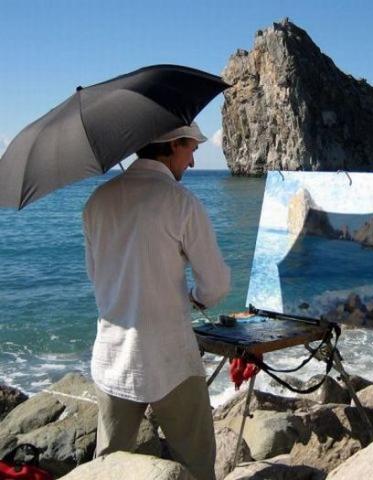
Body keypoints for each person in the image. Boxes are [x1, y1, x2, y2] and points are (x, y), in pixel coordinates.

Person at [82, 122, 230, 480]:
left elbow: (95, 276)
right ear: (173, 144)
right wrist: (194, 297)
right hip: (170, 358)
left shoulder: (97, 201)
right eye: (191, 149)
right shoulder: (181, 202)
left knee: (108, 467)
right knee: (196, 465)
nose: (193, 162)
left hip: (113, 356)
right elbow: (216, 285)